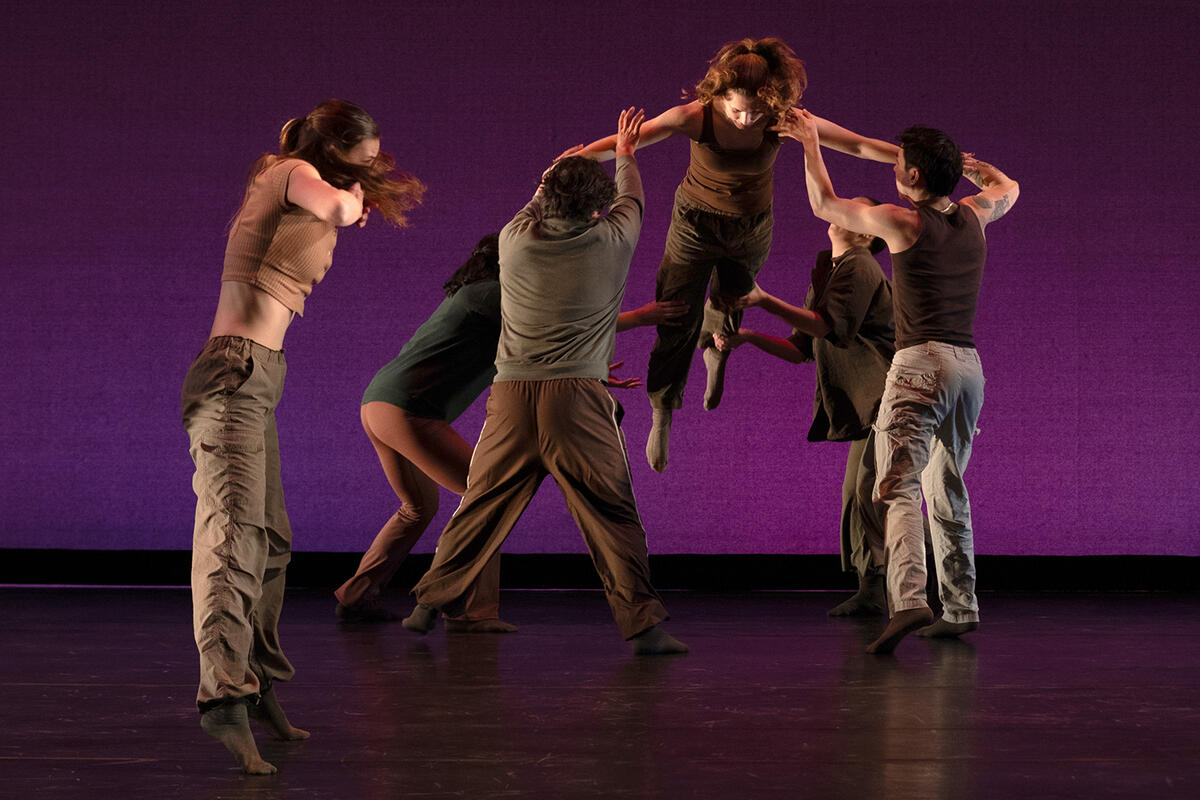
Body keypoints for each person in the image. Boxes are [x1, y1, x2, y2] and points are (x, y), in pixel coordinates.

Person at [181, 99, 423, 773]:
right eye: (364, 162)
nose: (370, 177)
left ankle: (256, 689)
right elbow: (342, 209)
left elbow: (341, 208)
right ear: (337, 150)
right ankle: (223, 700)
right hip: (230, 373)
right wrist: (349, 199)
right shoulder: (285, 170)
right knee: (233, 538)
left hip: (261, 377)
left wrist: (351, 193)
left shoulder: (304, 187)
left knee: (273, 544)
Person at [403, 108, 688, 655]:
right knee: (609, 509)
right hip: (575, 399)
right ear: (597, 209)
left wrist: (563, 164)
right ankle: (644, 625)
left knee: (483, 500)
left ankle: (426, 604)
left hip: (510, 395)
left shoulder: (514, 240)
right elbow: (632, 196)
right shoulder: (613, 240)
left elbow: (541, 194)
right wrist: (626, 150)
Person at [565, 37, 899, 472]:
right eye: (737, 109)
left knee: (735, 295)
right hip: (695, 225)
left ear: (773, 102)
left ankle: (716, 347)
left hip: (751, 227)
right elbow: (627, 141)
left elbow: (856, 144)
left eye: (757, 111)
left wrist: (915, 159)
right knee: (675, 313)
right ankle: (663, 407)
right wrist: (574, 161)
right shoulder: (694, 116)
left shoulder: (783, 118)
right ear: (717, 94)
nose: (746, 120)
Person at [336, 234, 685, 628]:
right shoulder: (490, 294)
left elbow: (530, 354)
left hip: (380, 404)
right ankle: (471, 612)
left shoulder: (476, 297)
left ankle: (359, 593)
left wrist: (590, 374)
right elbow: (557, 325)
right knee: (487, 493)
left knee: (418, 507)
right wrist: (640, 317)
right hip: (407, 409)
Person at [777, 109, 1019, 654]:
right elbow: (1008, 187)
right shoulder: (975, 215)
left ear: (912, 177)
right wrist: (975, 169)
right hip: (967, 370)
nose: (898, 167)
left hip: (919, 367)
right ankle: (960, 606)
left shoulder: (903, 222)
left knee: (897, 485)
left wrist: (811, 143)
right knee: (947, 486)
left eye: (902, 163)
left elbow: (824, 206)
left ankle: (908, 599)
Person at [713, 198, 894, 616]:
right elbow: (801, 349)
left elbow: (823, 326)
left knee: (872, 492)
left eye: (853, 208)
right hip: (868, 403)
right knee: (858, 493)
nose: (839, 209)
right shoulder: (829, 274)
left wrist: (761, 299)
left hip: (886, 397)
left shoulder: (861, 265)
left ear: (866, 232)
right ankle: (873, 587)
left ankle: (902, 582)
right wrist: (750, 338)